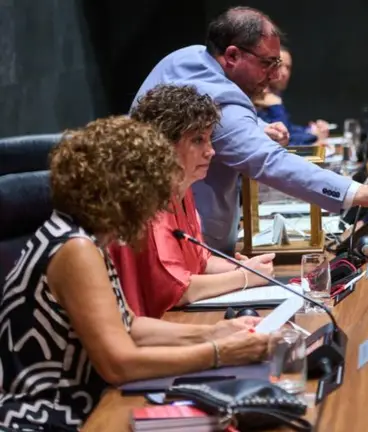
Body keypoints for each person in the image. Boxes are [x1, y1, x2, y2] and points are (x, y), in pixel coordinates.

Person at [0, 117, 270, 431]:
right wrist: (219, 353)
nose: (159, 203)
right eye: (156, 189)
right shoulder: (75, 249)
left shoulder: (86, 236)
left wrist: (214, 333)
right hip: (50, 418)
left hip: (87, 406)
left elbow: (131, 326)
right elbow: (119, 363)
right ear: (128, 191)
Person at [133, 6, 368, 255]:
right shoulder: (222, 99)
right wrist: (356, 193)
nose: (276, 75)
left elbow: (213, 114)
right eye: (268, 63)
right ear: (232, 55)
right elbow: (269, 161)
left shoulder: (187, 58)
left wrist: (259, 126)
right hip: (188, 246)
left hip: (144, 221)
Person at [109, 84, 276, 318]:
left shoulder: (182, 188)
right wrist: (245, 277)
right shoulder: (145, 199)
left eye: (209, 140)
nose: (211, 151)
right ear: (164, 145)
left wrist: (245, 267)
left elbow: (201, 261)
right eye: (198, 140)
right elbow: (177, 290)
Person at [253, 45, 330, 146]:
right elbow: (283, 139)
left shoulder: (273, 97)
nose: (285, 73)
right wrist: (276, 106)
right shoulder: (256, 98)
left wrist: (311, 131)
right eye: (279, 66)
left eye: (288, 67)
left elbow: (289, 129)